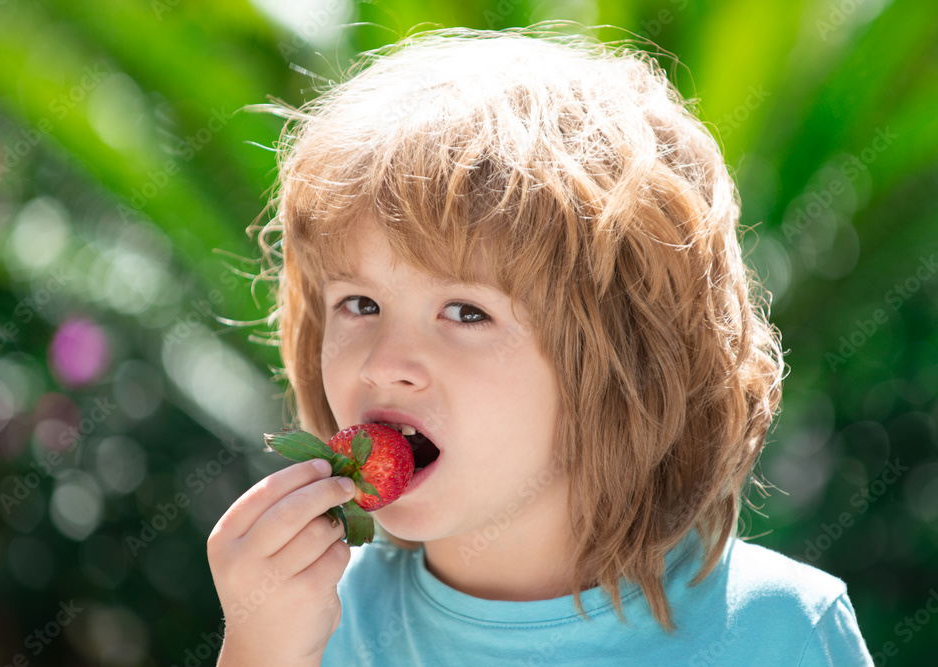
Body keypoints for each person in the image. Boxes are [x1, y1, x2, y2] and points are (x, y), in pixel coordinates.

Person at [206, 25, 873, 666]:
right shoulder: (311, 620)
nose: (384, 363)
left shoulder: (777, 630)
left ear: (625, 363)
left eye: (466, 312)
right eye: (361, 304)